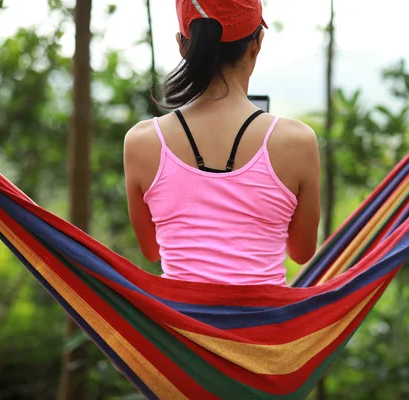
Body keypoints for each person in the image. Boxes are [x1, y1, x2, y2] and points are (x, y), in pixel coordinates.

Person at [123, 0, 320, 286]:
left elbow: (152, 250)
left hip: (176, 329)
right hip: (264, 327)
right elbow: (302, 253)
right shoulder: (298, 141)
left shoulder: (142, 142)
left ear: (182, 45)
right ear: (257, 43)